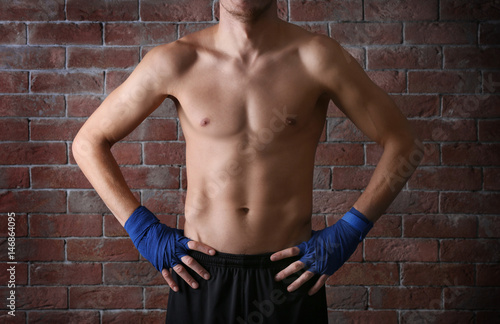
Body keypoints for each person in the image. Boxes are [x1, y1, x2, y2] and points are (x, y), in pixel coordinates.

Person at [73, 0, 423, 323]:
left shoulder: (317, 57)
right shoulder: (178, 61)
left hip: (289, 277)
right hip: (199, 275)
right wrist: (143, 231)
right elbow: (88, 143)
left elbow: (404, 144)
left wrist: (350, 231)